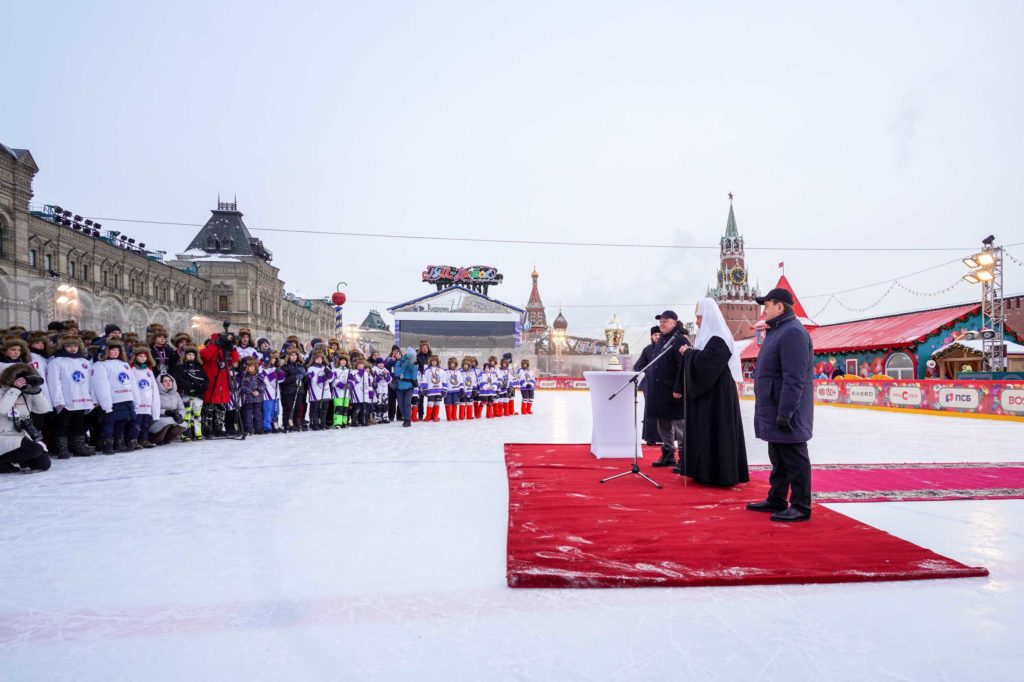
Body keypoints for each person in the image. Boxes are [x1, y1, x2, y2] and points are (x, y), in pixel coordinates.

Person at [747, 288, 815, 522]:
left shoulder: (793, 333)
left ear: (780, 307)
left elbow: (794, 377)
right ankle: (777, 497)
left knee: (794, 457)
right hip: (773, 407)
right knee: (778, 456)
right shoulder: (777, 331)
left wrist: (786, 412)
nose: (764, 310)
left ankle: (801, 506)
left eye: (767, 305)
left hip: (786, 409)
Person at [677, 299, 749, 486]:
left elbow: (707, 364)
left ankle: (719, 473)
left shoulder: (719, 338)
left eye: (699, 317)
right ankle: (703, 471)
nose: (698, 322)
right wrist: (692, 353)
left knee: (718, 431)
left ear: (708, 316)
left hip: (718, 394)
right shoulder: (708, 338)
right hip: (708, 392)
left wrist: (689, 353)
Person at [645, 310, 689, 468]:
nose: (662, 323)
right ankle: (668, 454)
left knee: (679, 425)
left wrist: (678, 388)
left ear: (675, 323)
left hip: (674, 391)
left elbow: (683, 367)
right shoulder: (662, 340)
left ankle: (684, 457)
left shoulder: (680, 341)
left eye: (666, 321)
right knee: (663, 422)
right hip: (660, 391)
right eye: (661, 321)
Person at [45, 334, 96, 458]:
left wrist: (91, 398)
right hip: (65, 400)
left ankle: (78, 447)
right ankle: (62, 449)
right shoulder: (56, 362)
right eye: (69, 346)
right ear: (62, 347)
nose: (73, 348)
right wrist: (58, 400)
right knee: (62, 425)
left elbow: (90, 381)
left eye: (75, 346)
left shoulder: (84, 362)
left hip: (81, 399)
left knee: (79, 424)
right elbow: (54, 382)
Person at [90, 340, 140, 454]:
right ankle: (107, 445)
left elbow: (132, 382)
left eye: (117, 349)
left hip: (126, 398)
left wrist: (136, 399)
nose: (115, 352)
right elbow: (101, 385)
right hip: (112, 400)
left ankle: (119, 443)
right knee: (109, 423)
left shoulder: (124, 364)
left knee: (121, 423)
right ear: (106, 351)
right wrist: (106, 404)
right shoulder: (100, 365)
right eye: (112, 350)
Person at [0, 363, 52, 473]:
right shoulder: (2, 391)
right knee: (34, 449)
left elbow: (43, 409)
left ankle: (14, 461)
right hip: (3, 436)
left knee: (43, 464)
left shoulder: (27, 393)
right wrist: (14, 389)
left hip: (21, 436)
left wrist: (36, 391)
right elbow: (2, 410)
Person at [199, 331, 241, 438]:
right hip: (211, 382)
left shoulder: (224, 350)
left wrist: (232, 348)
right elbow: (205, 356)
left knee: (221, 408)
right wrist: (216, 344)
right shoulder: (208, 349)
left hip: (223, 383)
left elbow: (235, 360)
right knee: (209, 408)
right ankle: (207, 429)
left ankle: (218, 428)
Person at [172, 345, 208, 441]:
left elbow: (205, 380)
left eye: (193, 355)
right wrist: (190, 385)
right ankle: (186, 433)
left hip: (198, 395)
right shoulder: (181, 367)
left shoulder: (199, 367)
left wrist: (201, 387)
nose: (191, 356)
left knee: (197, 415)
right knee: (187, 415)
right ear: (185, 356)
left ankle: (197, 432)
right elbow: (179, 380)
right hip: (186, 394)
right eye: (189, 355)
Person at [127, 346, 160, 450]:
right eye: (140, 356)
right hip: (138, 400)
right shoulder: (131, 369)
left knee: (146, 423)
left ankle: (144, 439)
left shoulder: (148, 370)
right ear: (135, 357)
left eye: (145, 356)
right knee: (136, 423)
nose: (143, 358)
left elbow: (153, 386)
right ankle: (133, 440)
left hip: (148, 400)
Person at [633, 326, 662, 445]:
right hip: (649, 384)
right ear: (651, 336)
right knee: (650, 409)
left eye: (659, 335)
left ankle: (664, 437)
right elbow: (638, 366)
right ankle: (650, 438)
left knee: (663, 410)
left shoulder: (666, 349)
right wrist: (649, 373)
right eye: (655, 335)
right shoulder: (647, 350)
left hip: (663, 384)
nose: (657, 337)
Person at [149, 374, 187, 445]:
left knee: (183, 424)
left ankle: (166, 439)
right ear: (160, 383)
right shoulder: (155, 393)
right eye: (165, 381)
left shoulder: (176, 394)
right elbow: (152, 409)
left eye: (170, 380)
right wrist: (166, 412)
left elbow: (181, 408)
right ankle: (155, 439)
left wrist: (180, 415)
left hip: (172, 417)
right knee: (166, 421)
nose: (168, 383)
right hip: (157, 419)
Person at [279, 349, 307, 432]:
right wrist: (294, 377)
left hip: (299, 390)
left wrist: (306, 377)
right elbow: (283, 381)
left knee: (298, 408)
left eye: (295, 355)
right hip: (289, 391)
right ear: (288, 357)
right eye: (292, 355)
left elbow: (304, 379)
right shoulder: (285, 367)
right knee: (289, 408)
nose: (294, 357)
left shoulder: (300, 366)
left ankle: (296, 423)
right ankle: (287, 423)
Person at [305, 350, 333, 431]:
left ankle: (323, 423)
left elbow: (331, 379)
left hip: (325, 391)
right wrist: (321, 379)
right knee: (315, 408)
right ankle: (314, 423)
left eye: (321, 358)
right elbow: (312, 380)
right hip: (315, 391)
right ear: (314, 359)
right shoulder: (311, 368)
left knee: (324, 408)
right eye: (317, 359)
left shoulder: (325, 367)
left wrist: (328, 376)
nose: (319, 360)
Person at [393, 348, 420, 427]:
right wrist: (405, 365)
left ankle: (407, 420)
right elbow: (397, 373)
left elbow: (414, 375)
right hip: (399, 387)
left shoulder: (414, 363)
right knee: (401, 404)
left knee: (407, 403)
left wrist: (412, 366)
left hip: (409, 386)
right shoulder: (399, 362)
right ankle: (405, 418)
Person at [238, 358, 265, 435]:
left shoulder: (258, 376)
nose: (252, 368)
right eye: (250, 366)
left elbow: (263, 384)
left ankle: (258, 429)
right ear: (247, 367)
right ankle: (249, 429)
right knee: (248, 415)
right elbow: (242, 387)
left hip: (257, 399)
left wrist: (259, 390)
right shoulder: (244, 377)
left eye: (254, 366)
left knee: (258, 414)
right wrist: (251, 392)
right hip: (248, 399)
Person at [419, 355, 446, 422]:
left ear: (437, 362)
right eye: (433, 361)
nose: (434, 362)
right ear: (430, 362)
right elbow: (424, 380)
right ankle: (428, 416)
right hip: (430, 390)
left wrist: (444, 389)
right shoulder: (427, 370)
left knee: (437, 403)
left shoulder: (442, 370)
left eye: (435, 361)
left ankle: (435, 416)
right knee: (430, 403)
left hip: (439, 390)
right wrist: (424, 388)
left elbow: (444, 380)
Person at [415, 340, 433, 420]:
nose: (424, 349)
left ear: (428, 348)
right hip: (421, 378)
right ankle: (420, 414)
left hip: (430, 378)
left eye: (426, 347)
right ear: (421, 348)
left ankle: (431, 415)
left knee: (431, 397)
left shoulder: (431, 356)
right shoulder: (418, 356)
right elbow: (416, 366)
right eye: (423, 348)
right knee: (420, 397)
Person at [384, 346, 402, 422]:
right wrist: (392, 360)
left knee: (400, 400)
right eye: (394, 351)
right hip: (391, 382)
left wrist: (400, 359)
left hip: (400, 382)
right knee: (391, 401)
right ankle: (391, 416)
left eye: (397, 351)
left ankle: (399, 416)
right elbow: (385, 367)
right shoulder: (388, 359)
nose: (395, 352)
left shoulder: (402, 359)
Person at [372, 358, 392, 424]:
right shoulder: (374, 369)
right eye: (379, 363)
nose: (381, 365)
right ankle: (378, 417)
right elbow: (375, 380)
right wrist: (381, 375)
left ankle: (385, 417)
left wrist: (385, 375)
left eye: (382, 363)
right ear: (377, 364)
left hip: (385, 391)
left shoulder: (386, 370)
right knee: (378, 404)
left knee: (385, 404)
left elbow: (389, 380)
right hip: (378, 391)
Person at [444, 357, 462, 422]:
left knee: (455, 403)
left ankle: (454, 416)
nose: (453, 364)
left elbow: (460, 381)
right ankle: (449, 417)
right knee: (448, 403)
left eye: (454, 363)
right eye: (451, 363)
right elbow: (444, 380)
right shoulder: (446, 371)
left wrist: (461, 389)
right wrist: (444, 389)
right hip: (448, 390)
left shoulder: (458, 372)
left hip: (456, 390)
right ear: (449, 364)